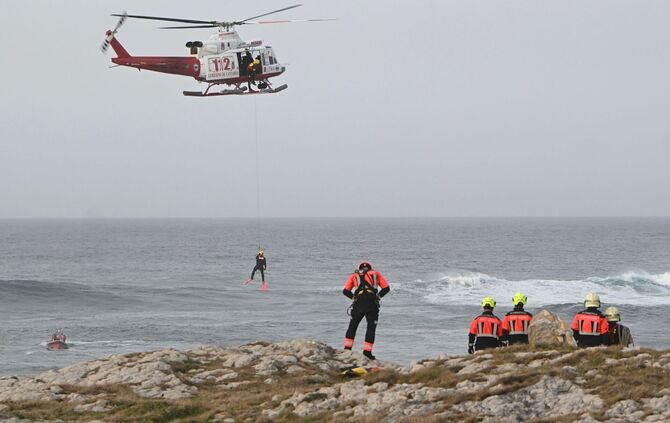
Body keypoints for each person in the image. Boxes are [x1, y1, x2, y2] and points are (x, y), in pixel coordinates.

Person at [342, 262, 390, 360]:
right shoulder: (376, 274)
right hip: (372, 305)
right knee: (371, 328)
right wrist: (378, 297)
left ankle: (347, 350)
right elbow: (386, 288)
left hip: (358, 305)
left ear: (359, 268)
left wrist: (353, 298)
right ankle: (367, 353)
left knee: (352, 326)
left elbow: (346, 291)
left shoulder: (354, 276)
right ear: (370, 268)